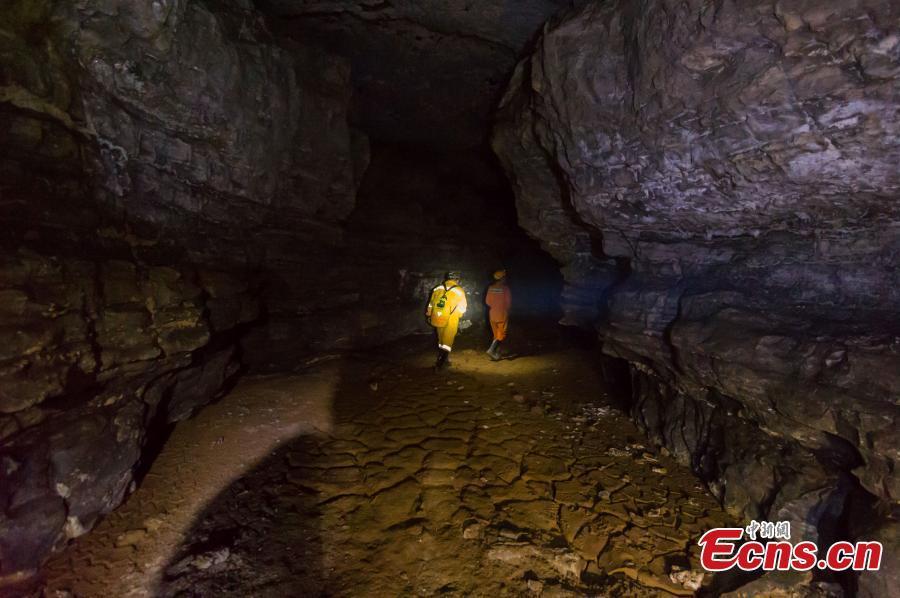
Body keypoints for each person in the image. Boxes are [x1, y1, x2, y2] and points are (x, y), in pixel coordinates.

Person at [425, 271, 467, 370]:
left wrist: (429, 314)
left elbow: (431, 304)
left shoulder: (437, 288)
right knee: (448, 340)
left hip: (437, 316)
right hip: (451, 318)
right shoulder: (459, 290)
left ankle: (444, 358)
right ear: (457, 279)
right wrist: (459, 315)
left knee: (441, 338)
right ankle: (440, 363)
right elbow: (463, 307)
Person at [485, 269, 511, 360]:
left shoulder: (490, 288)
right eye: (505, 277)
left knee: (496, 334)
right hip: (502, 314)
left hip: (492, 314)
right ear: (502, 278)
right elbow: (508, 303)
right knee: (501, 334)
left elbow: (487, 302)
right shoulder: (505, 288)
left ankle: (496, 353)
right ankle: (491, 350)